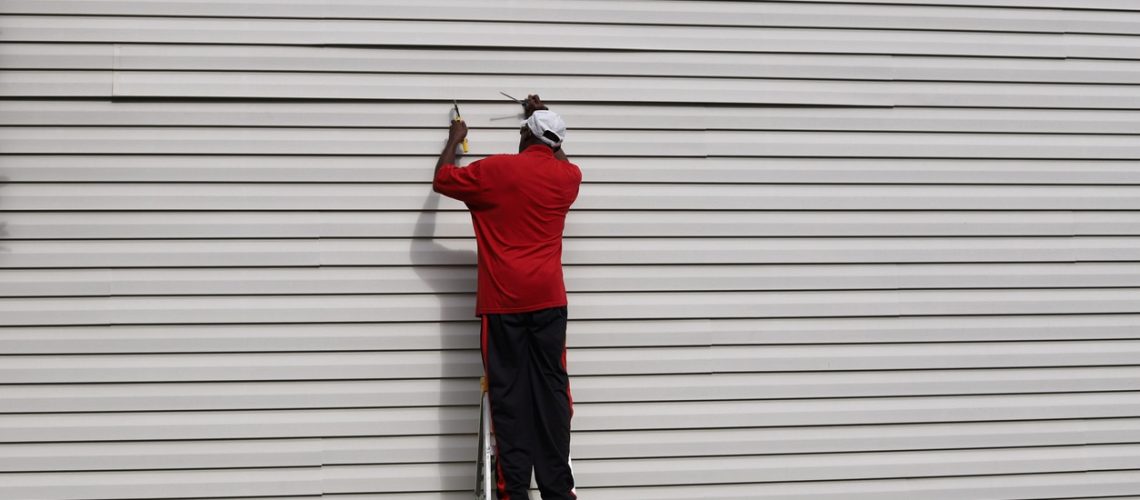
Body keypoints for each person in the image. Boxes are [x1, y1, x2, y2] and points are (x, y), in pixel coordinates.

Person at [433, 95, 582, 500]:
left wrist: (454, 139)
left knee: (509, 398)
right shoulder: (568, 178)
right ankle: (557, 490)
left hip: (503, 306)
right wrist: (541, 118)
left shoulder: (496, 170)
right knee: (553, 391)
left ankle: (513, 491)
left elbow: (443, 179)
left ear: (524, 136)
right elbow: (561, 160)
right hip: (550, 303)